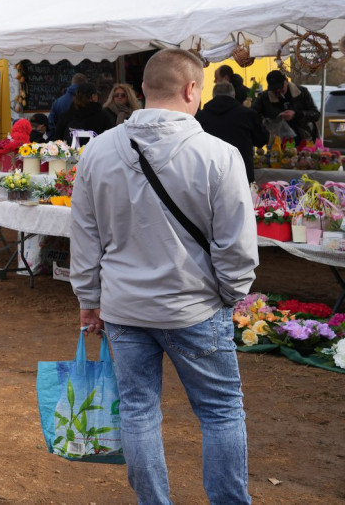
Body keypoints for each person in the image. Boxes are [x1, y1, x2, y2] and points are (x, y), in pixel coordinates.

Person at [69, 49, 257, 504]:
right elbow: (236, 245)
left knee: (138, 411)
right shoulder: (219, 155)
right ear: (192, 89)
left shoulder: (98, 150)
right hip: (194, 306)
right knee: (220, 412)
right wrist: (230, 294)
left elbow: (84, 233)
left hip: (125, 307)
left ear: (144, 89)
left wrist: (88, 297)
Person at [198, 81, 268, 183]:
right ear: (234, 95)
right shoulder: (247, 115)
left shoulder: (200, 117)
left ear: (213, 95)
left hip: (209, 177)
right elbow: (262, 139)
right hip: (241, 176)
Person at [252, 70, 320, 145]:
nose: (278, 91)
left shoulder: (302, 92)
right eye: (274, 90)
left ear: (286, 81)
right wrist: (270, 122)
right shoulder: (264, 98)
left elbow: (316, 114)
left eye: (280, 87)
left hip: (305, 139)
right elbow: (253, 115)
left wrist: (296, 114)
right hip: (278, 142)